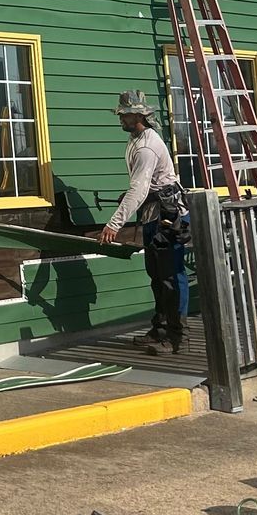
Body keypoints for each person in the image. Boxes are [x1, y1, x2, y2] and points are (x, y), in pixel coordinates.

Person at [97, 90, 188, 353]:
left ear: (138, 115)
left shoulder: (147, 146)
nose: (121, 119)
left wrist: (114, 224)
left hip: (167, 216)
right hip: (152, 214)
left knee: (171, 276)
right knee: (156, 275)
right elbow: (141, 187)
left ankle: (176, 335)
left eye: (124, 115)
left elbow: (138, 188)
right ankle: (160, 327)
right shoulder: (136, 140)